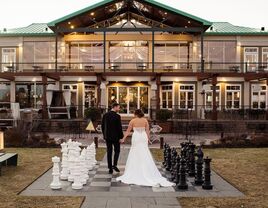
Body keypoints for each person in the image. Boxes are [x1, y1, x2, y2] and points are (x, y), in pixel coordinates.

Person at [116, 109, 174, 187]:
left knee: (135, 152)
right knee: (144, 152)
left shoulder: (132, 121)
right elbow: (147, 131)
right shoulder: (145, 120)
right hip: (143, 137)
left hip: (136, 137)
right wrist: (148, 139)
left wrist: (123, 139)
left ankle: (135, 171)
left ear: (136, 114)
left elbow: (128, 131)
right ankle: (147, 170)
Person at [101, 103, 124, 174]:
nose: (119, 109)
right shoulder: (117, 116)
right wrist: (121, 137)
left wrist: (104, 135)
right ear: (115, 107)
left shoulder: (105, 115)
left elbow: (102, 126)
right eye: (118, 107)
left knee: (109, 152)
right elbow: (119, 128)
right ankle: (114, 165)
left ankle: (110, 168)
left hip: (107, 137)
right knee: (117, 151)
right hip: (116, 137)